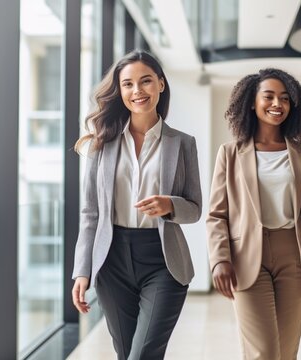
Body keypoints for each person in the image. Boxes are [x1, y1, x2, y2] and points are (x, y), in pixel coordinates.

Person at [206, 68, 301, 359]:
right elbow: (216, 215)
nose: (277, 104)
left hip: (295, 257)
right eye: (269, 96)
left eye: (284, 98)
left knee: (285, 353)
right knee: (264, 352)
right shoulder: (230, 153)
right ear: (251, 102)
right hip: (247, 258)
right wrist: (219, 259)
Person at [70, 50, 202, 360]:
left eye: (145, 82)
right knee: (126, 352)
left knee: (142, 354)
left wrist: (170, 204)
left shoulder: (182, 143)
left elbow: (194, 208)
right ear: (120, 91)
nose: (137, 91)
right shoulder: (102, 142)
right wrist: (82, 271)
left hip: (163, 260)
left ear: (161, 84)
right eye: (128, 84)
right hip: (112, 259)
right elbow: (90, 213)